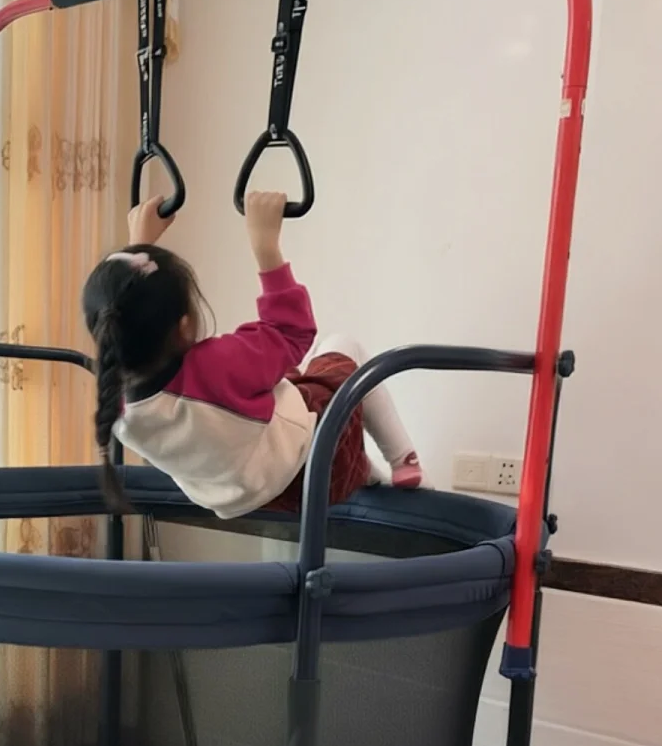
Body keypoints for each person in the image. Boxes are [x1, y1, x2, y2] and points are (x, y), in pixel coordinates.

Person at [81, 190, 425, 518]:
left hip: (256, 495)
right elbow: (292, 330)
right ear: (184, 325)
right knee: (343, 346)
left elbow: (127, 313)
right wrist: (265, 245)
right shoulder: (215, 369)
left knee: (292, 377)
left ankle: (366, 472)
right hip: (320, 463)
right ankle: (403, 460)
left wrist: (138, 247)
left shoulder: (117, 409)